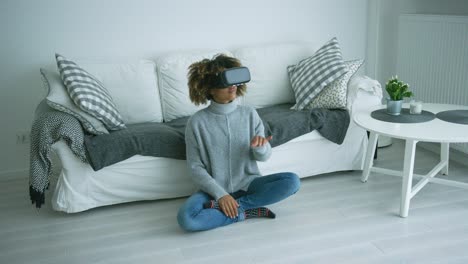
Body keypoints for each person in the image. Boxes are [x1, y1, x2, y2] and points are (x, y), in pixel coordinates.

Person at [177, 54, 300, 232]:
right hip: (213, 191)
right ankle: (246, 211)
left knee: (292, 181)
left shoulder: (249, 114)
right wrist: (221, 196)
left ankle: (237, 208)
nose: (233, 85)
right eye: (225, 81)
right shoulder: (196, 123)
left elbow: (264, 157)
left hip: (249, 184)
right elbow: (195, 168)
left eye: (234, 79)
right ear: (210, 88)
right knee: (187, 219)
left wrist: (260, 148)